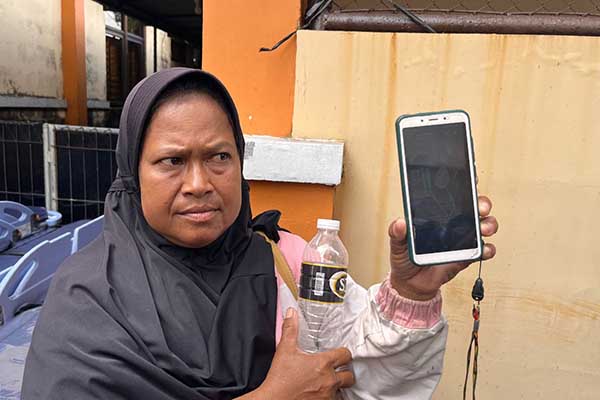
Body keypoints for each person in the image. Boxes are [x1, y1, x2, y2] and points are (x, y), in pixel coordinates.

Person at [21, 68, 498, 400]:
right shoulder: (88, 296)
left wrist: (411, 293)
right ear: (132, 173)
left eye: (219, 157)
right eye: (172, 161)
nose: (200, 183)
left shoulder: (288, 261)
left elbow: (370, 381)